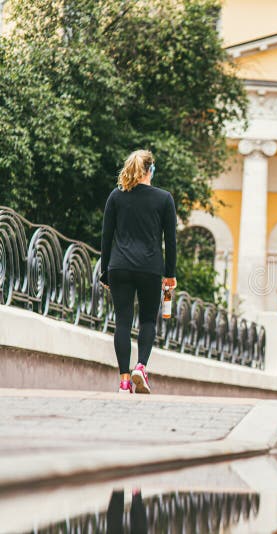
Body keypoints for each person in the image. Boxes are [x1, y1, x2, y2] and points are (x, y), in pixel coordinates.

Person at [100, 149, 177, 394]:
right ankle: (140, 367)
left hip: (119, 266)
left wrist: (104, 271)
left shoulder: (116, 196)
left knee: (122, 321)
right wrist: (171, 274)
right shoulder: (164, 198)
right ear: (150, 170)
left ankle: (124, 380)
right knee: (146, 321)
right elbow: (171, 240)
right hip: (150, 268)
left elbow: (106, 236)